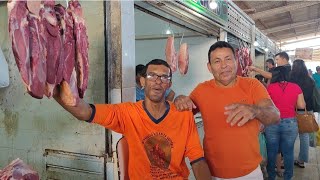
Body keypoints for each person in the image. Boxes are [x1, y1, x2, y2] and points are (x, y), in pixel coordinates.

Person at [54, 59, 211, 179]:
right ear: (142, 81)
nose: (158, 81)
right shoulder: (127, 113)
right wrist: (51, 87)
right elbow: (85, 112)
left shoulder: (183, 115)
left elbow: (197, 159)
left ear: (169, 83)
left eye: (164, 77)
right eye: (152, 76)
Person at [174, 41, 280, 179]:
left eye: (228, 59)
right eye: (217, 61)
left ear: (236, 62)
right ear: (209, 67)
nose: (224, 66)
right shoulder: (201, 90)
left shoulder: (252, 85)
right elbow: (181, 113)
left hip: (250, 172)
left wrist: (255, 110)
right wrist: (179, 99)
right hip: (214, 173)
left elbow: (275, 115)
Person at [265, 66, 306, 180]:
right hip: (290, 123)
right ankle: (288, 177)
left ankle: (271, 176)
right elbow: (301, 106)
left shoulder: (270, 88)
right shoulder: (296, 87)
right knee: (288, 152)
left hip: (272, 122)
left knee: (272, 152)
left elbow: (266, 106)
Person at [290, 59, 315, 168]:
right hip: (306, 110)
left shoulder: (291, 80)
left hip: (294, 110)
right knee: (304, 136)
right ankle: (302, 161)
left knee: (290, 136)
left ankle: (287, 159)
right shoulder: (310, 80)